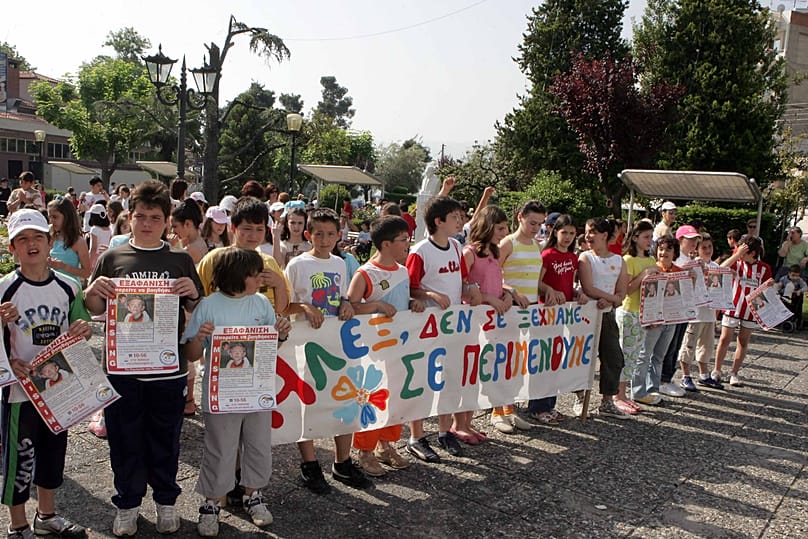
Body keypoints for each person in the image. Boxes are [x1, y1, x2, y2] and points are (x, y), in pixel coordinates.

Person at [83, 180, 204, 536]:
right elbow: (94, 307)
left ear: (168, 220)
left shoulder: (180, 260)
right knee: (124, 440)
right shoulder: (112, 258)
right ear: (128, 219)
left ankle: (167, 502)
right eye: (140, 216)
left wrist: (194, 295)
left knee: (166, 440)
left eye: (155, 216)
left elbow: (196, 310)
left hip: (168, 370)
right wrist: (92, 292)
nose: (147, 223)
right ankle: (128, 503)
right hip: (122, 370)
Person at [182, 247, 291, 536]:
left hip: (256, 390)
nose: (259, 281)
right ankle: (211, 502)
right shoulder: (208, 305)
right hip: (221, 394)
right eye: (255, 275)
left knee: (257, 444)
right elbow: (191, 354)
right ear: (239, 276)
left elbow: (270, 348)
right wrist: (199, 338)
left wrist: (280, 332)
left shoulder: (260, 304)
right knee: (220, 447)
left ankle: (253, 495)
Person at [0, 208, 93, 538]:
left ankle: (47, 516)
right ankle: (17, 525)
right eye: (21, 239)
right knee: (20, 459)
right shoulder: (4, 290)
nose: (31, 244)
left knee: (53, 455)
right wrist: (9, 362)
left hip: (58, 388)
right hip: (18, 393)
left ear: (49, 240)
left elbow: (80, 330)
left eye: (37, 236)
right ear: (12, 248)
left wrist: (85, 329)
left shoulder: (69, 287)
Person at [284, 208, 371, 493]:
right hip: (307, 349)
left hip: (337, 345)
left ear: (338, 236)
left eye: (330, 234)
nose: (324, 239)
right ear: (308, 234)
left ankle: (342, 462)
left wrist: (346, 303)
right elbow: (285, 304)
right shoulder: (297, 265)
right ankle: (310, 465)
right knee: (307, 403)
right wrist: (306, 307)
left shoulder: (340, 263)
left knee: (345, 398)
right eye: (318, 233)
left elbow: (342, 297)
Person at [405, 196, 482, 462]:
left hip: (451, 328)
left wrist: (471, 290)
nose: (460, 222)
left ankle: (443, 431)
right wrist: (431, 294)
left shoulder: (456, 248)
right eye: (455, 218)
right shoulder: (420, 251)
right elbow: (410, 286)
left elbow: (461, 279)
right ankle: (416, 436)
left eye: (460, 217)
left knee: (449, 379)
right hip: (425, 327)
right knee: (421, 382)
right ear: (439, 221)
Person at [347, 216, 422, 476]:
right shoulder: (365, 273)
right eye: (404, 239)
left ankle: (386, 445)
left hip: (399, 347)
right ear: (386, 243)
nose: (408, 244)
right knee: (372, 398)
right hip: (373, 350)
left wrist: (413, 304)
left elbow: (402, 300)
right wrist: (376, 306)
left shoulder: (402, 270)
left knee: (397, 397)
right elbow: (350, 307)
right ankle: (365, 451)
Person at [499, 200, 567, 426]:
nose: (535, 228)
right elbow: (493, 277)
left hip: (531, 312)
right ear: (520, 217)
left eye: (539, 224)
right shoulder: (507, 244)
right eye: (531, 223)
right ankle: (499, 411)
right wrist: (511, 291)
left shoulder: (537, 247)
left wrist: (550, 290)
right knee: (505, 360)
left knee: (519, 362)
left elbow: (536, 281)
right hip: (510, 311)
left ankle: (510, 408)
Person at [461, 205, 524, 439]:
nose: (504, 232)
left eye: (506, 228)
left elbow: (497, 282)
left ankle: (497, 410)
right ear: (487, 226)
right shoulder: (470, 253)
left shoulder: (494, 253)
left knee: (496, 367)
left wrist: (508, 293)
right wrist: (488, 298)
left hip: (496, 320)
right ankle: (471, 420)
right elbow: (462, 287)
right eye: (500, 228)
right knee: (473, 372)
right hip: (476, 322)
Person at [533, 214, 591, 420]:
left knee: (556, 361)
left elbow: (568, 285)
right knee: (543, 361)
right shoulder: (547, 255)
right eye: (564, 232)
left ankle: (550, 405)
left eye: (572, 233)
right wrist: (549, 289)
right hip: (546, 314)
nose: (567, 237)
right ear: (554, 232)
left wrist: (577, 294)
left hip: (564, 316)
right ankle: (538, 407)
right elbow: (536, 283)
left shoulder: (573, 258)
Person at [578, 218, 631, 419]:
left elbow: (622, 291)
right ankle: (580, 397)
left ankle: (607, 400)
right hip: (585, 315)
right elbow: (588, 287)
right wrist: (611, 298)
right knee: (581, 359)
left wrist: (613, 300)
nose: (588, 236)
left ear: (605, 235)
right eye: (587, 231)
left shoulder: (619, 260)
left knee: (614, 358)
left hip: (607, 315)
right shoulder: (585, 257)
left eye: (593, 232)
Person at [713, 236, 772, 387]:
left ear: (752, 253)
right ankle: (717, 370)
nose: (740, 252)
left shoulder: (764, 267)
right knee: (724, 338)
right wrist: (737, 255)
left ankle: (734, 372)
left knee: (743, 341)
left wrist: (770, 285)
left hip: (750, 311)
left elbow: (767, 289)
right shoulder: (736, 263)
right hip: (733, 307)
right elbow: (720, 269)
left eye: (744, 251)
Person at [631, 237, 682, 406]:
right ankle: (637, 390)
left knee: (659, 356)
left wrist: (692, 279)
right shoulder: (652, 269)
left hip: (671, 319)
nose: (664, 253)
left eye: (668, 249)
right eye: (661, 249)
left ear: (674, 252)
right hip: (653, 319)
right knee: (644, 355)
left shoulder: (679, 271)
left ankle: (653, 388)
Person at [616, 220, 658, 415]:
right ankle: (619, 394)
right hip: (629, 311)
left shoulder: (651, 261)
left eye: (651, 237)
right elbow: (626, 289)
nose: (649, 241)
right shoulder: (628, 260)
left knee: (634, 355)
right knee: (625, 353)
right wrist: (643, 275)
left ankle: (624, 394)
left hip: (643, 313)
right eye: (646, 237)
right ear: (635, 238)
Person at [47, 197, 93, 282]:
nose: (51, 221)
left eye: (55, 217)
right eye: (50, 217)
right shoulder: (50, 235)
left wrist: (63, 266)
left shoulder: (78, 241)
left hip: (70, 287)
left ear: (67, 217)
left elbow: (87, 273)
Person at [169, 199, 208, 264]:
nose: (173, 231)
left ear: (187, 224)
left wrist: (173, 247)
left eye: (175, 226)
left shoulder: (192, 250)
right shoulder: (193, 243)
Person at [87, 203, 112, 269]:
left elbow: (93, 248)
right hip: (107, 256)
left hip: (97, 258)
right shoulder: (109, 229)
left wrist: (89, 263)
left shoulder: (94, 229)